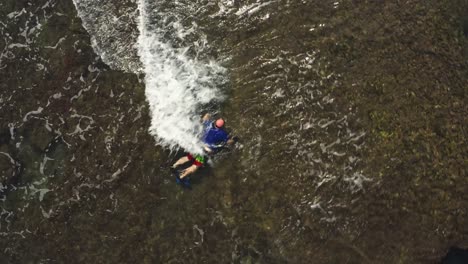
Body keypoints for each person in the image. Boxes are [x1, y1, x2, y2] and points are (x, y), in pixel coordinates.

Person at [172, 113, 236, 180]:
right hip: (204, 152)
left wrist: (209, 115)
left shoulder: (208, 124)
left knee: (188, 157)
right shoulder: (222, 134)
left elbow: (206, 116)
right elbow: (229, 142)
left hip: (198, 146)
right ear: (222, 127)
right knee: (195, 166)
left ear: (215, 123)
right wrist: (234, 139)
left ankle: (174, 166)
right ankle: (181, 177)